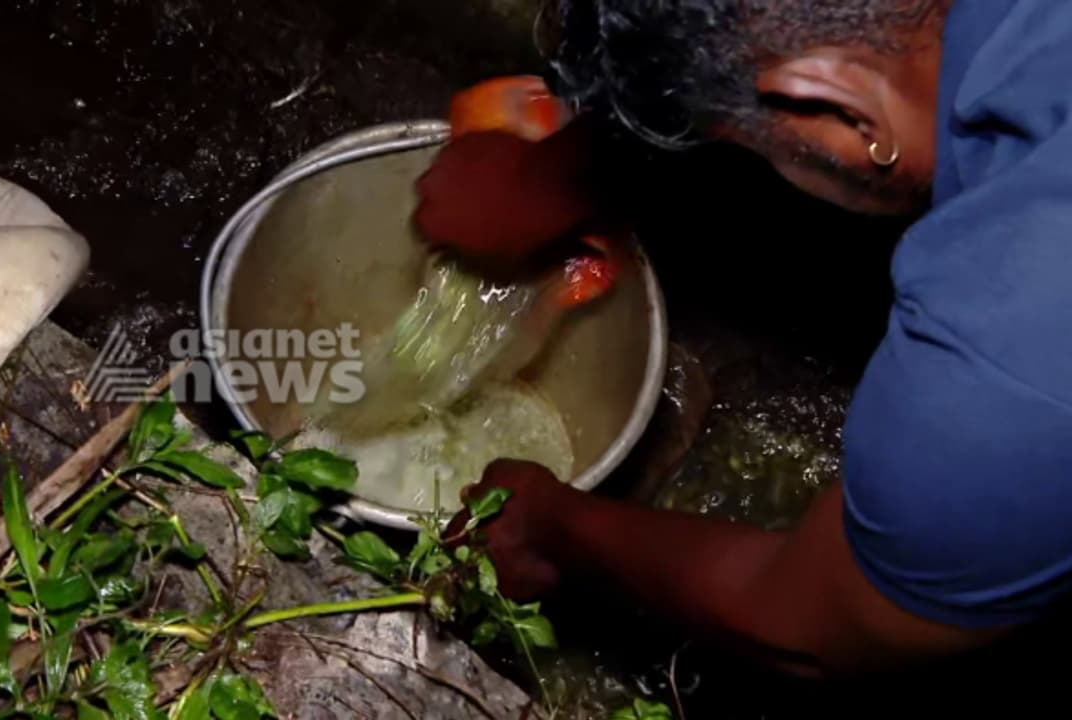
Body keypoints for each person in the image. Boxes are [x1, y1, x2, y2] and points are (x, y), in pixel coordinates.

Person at [416, 0, 1072, 681]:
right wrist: (550, 179)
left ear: (841, 110)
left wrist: (547, 528)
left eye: (746, 143)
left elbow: (818, 624)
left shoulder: (1006, 364)